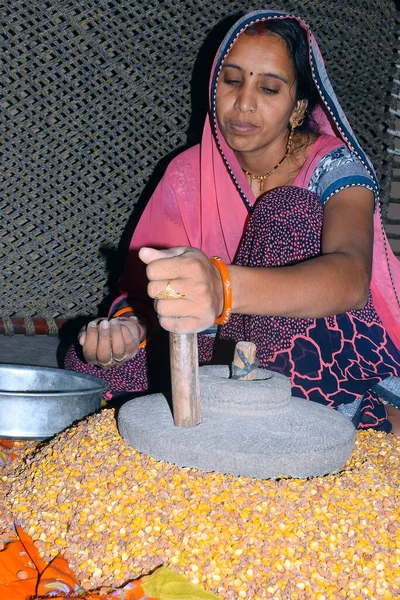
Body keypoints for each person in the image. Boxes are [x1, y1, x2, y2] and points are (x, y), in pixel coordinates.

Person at [65, 10, 400, 434]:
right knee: (91, 360)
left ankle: (339, 412)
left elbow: (351, 279)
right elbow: (154, 291)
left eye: (269, 88)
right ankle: (235, 415)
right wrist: (126, 329)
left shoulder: (333, 166)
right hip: (219, 342)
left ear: (298, 106)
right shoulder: (188, 174)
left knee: (286, 212)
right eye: (232, 80)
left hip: (312, 339)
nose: (244, 103)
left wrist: (221, 286)